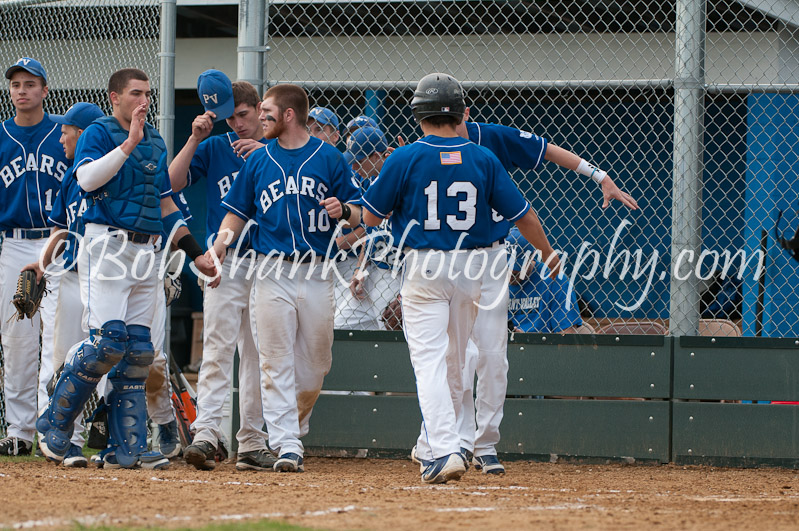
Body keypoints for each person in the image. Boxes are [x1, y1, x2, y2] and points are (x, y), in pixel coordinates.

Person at [323, 72, 561, 484]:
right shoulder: (483, 157)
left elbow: (372, 217)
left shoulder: (404, 157)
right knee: (454, 362)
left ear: (419, 113)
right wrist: (546, 252)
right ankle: (440, 445)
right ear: (460, 113)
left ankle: (444, 449)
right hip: (473, 270)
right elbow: (524, 216)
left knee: (431, 362)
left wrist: (347, 211)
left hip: (424, 267)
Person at [438, 105, 640, 475]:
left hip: (492, 258)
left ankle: (484, 445)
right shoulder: (426, 146)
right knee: (457, 358)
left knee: (493, 358)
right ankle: (454, 442)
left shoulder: (489, 136)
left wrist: (600, 175)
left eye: (456, 113)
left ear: (467, 112)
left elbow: (546, 150)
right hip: (447, 263)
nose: (450, 121)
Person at [35, 67, 216, 469]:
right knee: (108, 342)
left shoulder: (154, 141)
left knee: (137, 351)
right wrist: (129, 141)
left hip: (147, 250)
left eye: (148, 94)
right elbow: (85, 180)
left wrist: (196, 252)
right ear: (115, 97)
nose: (144, 101)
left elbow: (165, 204)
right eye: (136, 93)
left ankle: (126, 445)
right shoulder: (100, 132)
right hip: (107, 245)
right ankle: (54, 424)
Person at [206, 83, 358, 473]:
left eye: (268, 113)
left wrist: (344, 212)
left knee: (316, 364)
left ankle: (294, 424)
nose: (261, 119)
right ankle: (287, 443)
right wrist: (221, 244)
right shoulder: (258, 161)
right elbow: (237, 212)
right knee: (274, 360)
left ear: (289, 115)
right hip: (270, 271)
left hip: (317, 273)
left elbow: (359, 215)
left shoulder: (330, 158)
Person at [169, 73, 274, 472]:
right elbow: (173, 182)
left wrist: (264, 151)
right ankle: (206, 434)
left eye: (244, 116)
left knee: (259, 354)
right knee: (216, 350)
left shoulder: (276, 149)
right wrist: (195, 137)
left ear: (261, 111)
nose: (238, 125)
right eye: (231, 119)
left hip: (267, 261)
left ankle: (251, 441)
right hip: (223, 260)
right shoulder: (215, 146)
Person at [21, 101, 104, 467]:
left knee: (103, 358)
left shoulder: (108, 173)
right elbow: (60, 229)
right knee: (58, 359)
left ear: (83, 134)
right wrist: (41, 263)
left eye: (66, 130)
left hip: (103, 277)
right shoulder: (71, 176)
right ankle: (55, 437)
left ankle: (103, 437)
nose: (60, 137)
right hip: (68, 277)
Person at [0, 57, 69, 457]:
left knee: (59, 337)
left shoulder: (64, 133)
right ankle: (20, 430)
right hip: (14, 243)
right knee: (18, 340)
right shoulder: (2, 135)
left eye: (30, 84)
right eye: (15, 84)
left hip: (58, 240)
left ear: (45, 90)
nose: (22, 90)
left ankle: (53, 428)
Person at [334, 126, 401, 330]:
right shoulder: (372, 180)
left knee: (390, 336)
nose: (354, 166)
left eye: (359, 160)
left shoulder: (402, 176)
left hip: (396, 276)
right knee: (338, 327)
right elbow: (370, 233)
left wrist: (404, 293)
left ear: (375, 155)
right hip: (372, 271)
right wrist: (359, 269)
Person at [506, 226, 583, 333]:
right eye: (506, 268)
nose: (511, 275)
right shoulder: (492, 280)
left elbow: (567, 335)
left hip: (543, 346)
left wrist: (527, 341)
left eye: (517, 270)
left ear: (531, 257)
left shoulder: (554, 279)